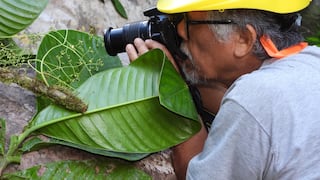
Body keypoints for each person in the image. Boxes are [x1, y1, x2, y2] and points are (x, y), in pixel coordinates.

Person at [126, 0, 320, 179]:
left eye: (189, 23)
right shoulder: (313, 62)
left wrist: (170, 92)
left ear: (244, 38)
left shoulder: (255, 96)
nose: (180, 30)